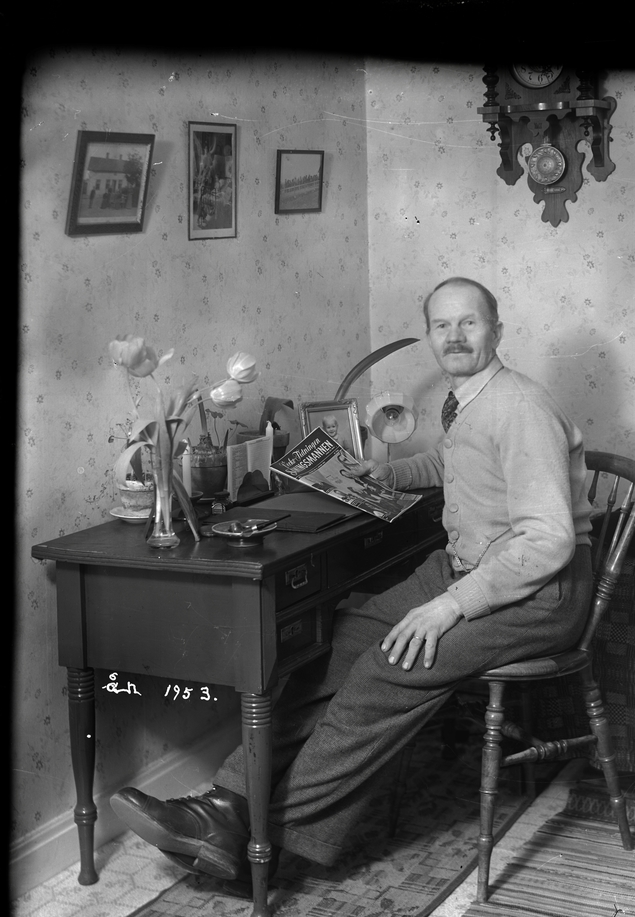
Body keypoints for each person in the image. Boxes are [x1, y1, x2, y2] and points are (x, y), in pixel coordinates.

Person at [111, 277, 594, 886]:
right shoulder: (472, 397)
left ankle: (258, 831)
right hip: (473, 566)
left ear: (497, 330)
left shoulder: (520, 407)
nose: (454, 337)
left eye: (469, 323)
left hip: (538, 594)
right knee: (336, 644)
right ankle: (229, 801)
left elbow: (548, 540)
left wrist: (451, 607)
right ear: (429, 336)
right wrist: (386, 475)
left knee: (388, 667)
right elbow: (459, 460)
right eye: (442, 326)